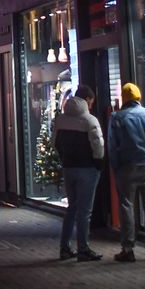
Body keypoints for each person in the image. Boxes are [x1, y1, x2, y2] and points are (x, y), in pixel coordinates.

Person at [109, 82, 145, 262]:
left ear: (124, 99)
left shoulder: (117, 117)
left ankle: (128, 249)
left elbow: (112, 146)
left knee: (126, 207)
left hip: (126, 167)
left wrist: (116, 167)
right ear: (139, 97)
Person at [52, 85, 105, 262]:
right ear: (87, 100)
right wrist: (98, 163)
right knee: (85, 211)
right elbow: (98, 146)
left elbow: (55, 143)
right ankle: (83, 249)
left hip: (69, 167)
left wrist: (65, 158)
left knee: (72, 208)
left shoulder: (61, 120)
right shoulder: (90, 120)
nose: (91, 105)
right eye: (91, 101)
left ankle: (65, 247)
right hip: (87, 168)